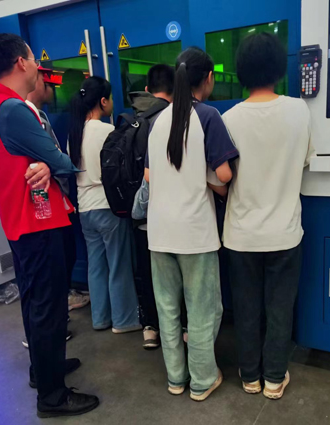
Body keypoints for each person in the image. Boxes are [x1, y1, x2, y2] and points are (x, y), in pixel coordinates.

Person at [0, 33, 99, 418]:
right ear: (20, 63)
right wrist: (53, 163)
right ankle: (52, 397)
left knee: (35, 302)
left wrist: (43, 164)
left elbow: (16, 162)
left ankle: (44, 369)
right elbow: (62, 161)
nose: (38, 67)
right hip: (37, 223)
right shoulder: (13, 109)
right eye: (33, 59)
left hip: (21, 223)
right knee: (48, 307)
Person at [221, 33, 314, 400]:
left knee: (245, 308)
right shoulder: (299, 110)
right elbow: (307, 160)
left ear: (241, 71)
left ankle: (249, 376)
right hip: (285, 232)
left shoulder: (228, 119)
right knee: (280, 307)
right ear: (279, 68)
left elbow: (220, 178)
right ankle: (274, 378)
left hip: (241, 235)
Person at [145, 47, 239, 401]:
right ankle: (202, 380)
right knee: (203, 309)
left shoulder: (158, 121)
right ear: (208, 78)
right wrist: (206, 178)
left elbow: (150, 175)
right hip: (195, 233)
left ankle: (176, 378)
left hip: (159, 232)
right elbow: (224, 176)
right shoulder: (208, 116)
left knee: (168, 309)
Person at [68, 76, 140, 333]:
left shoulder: (75, 134)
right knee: (119, 264)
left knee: (96, 266)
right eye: (109, 98)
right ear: (102, 101)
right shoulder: (107, 131)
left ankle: (100, 318)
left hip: (85, 209)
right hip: (108, 206)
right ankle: (124, 320)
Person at [26, 68, 91, 313]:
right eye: (47, 83)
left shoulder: (42, 116)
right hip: (45, 202)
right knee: (55, 260)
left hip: (59, 198)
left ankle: (60, 304)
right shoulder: (27, 118)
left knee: (66, 253)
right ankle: (56, 310)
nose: (53, 89)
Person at [129, 64, 175, 350]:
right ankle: (180, 331)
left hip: (138, 212)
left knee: (145, 273)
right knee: (174, 278)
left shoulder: (133, 119)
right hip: (168, 214)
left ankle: (150, 328)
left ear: (147, 90)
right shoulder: (172, 120)